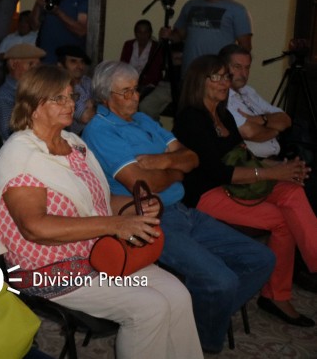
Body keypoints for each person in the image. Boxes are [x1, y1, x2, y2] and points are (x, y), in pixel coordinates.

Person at [0, 65, 203, 359]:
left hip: (98, 254)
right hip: (49, 270)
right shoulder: (20, 155)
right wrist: (115, 225)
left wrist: (133, 208)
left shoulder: (74, 145)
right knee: (149, 308)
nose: (70, 104)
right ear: (35, 107)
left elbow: (97, 200)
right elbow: (35, 227)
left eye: (71, 96)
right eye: (59, 99)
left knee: (177, 294)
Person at [82, 60, 275, 352]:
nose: (134, 97)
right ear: (105, 97)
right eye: (125, 92)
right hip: (152, 220)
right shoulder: (100, 130)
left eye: (135, 90)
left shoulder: (143, 119)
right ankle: (203, 345)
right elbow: (143, 185)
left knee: (262, 259)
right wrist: (176, 168)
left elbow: (192, 158)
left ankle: (192, 319)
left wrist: (163, 162)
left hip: (185, 210)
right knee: (221, 281)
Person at [173, 55, 317, 326]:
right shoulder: (191, 118)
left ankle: (304, 270)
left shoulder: (224, 114)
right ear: (198, 82)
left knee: (293, 191)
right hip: (206, 194)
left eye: (225, 76)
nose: (224, 82)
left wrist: (285, 168)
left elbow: (242, 157)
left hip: (237, 185)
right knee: (281, 220)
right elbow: (218, 172)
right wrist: (272, 172)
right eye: (216, 77)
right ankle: (277, 295)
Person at [161, 0, 252, 71]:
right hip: (190, 73)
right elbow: (179, 35)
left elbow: (245, 47)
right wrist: (169, 35)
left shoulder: (237, 9)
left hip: (218, 76)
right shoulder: (190, 5)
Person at [220, 44, 292, 159]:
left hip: (277, 157)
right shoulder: (221, 98)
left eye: (247, 68)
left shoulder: (248, 91)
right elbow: (250, 133)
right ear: (222, 68)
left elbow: (286, 119)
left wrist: (257, 120)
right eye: (237, 67)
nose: (244, 74)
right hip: (251, 164)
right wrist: (276, 129)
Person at [0, 43, 44, 140]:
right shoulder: (4, 98)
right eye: (31, 64)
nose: (36, 70)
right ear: (13, 64)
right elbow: (11, 136)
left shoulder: (37, 89)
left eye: (38, 65)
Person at [56, 45, 94, 134]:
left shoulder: (88, 81)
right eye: (73, 61)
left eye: (82, 62)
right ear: (61, 65)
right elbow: (85, 117)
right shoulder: (60, 87)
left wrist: (94, 105)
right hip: (75, 138)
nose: (79, 66)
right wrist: (96, 105)